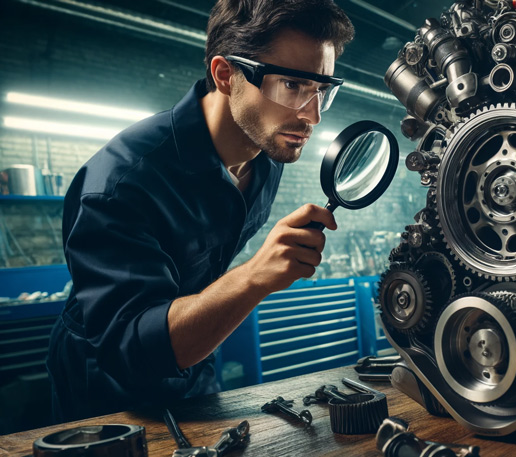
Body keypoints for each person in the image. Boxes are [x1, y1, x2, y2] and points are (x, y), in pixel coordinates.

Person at [46, 0, 354, 422]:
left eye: (321, 90)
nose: (312, 115)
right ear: (226, 75)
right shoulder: (119, 184)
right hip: (106, 386)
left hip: (195, 362)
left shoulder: (265, 156)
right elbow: (133, 348)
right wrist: (254, 277)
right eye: (291, 86)